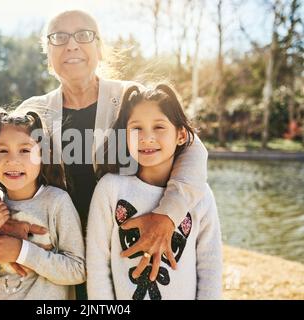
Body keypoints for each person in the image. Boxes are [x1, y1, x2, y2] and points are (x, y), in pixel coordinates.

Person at [0, 10, 208, 299]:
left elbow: (192, 146)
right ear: (48, 52)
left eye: (84, 35)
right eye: (59, 37)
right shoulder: (35, 112)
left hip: (124, 253)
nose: (71, 45)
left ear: (100, 47)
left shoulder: (131, 98)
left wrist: (167, 215)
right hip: (59, 257)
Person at [86, 84, 222, 300]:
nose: (146, 137)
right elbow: (97, 265)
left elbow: (210, 267)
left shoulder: (200, 196)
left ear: (180, 135)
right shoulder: (110, 189)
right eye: (136, 128)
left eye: (159, 127)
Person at [0, 109, 85, 299]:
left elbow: (78, 270)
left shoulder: (56, 202)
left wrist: (23, 252)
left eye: (25, 150)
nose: (12, 160)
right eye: (3, 151)